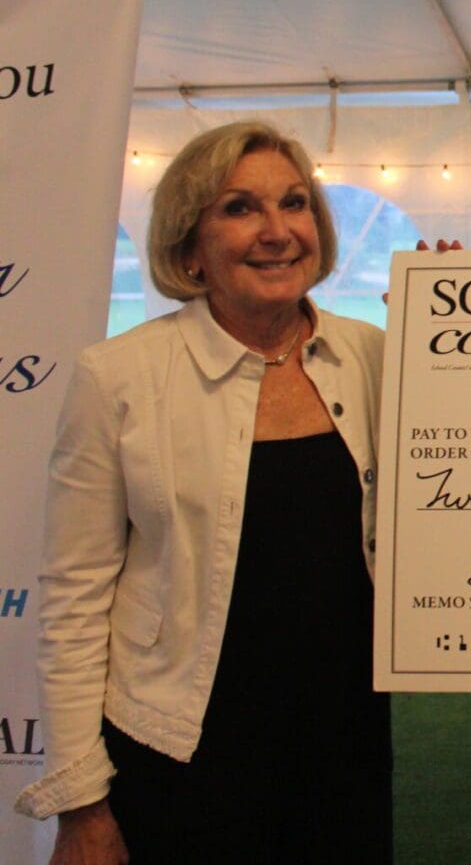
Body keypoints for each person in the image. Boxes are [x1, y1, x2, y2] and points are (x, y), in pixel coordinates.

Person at [13, 123, 390, 863]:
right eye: (240, 209)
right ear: (189, 247)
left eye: (294, 203)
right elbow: (74, 598)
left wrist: (457, 317)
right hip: (175, 751)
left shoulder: (374, 357)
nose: (278, 232)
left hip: (343, 742)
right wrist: (81, 802)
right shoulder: (116, 377)